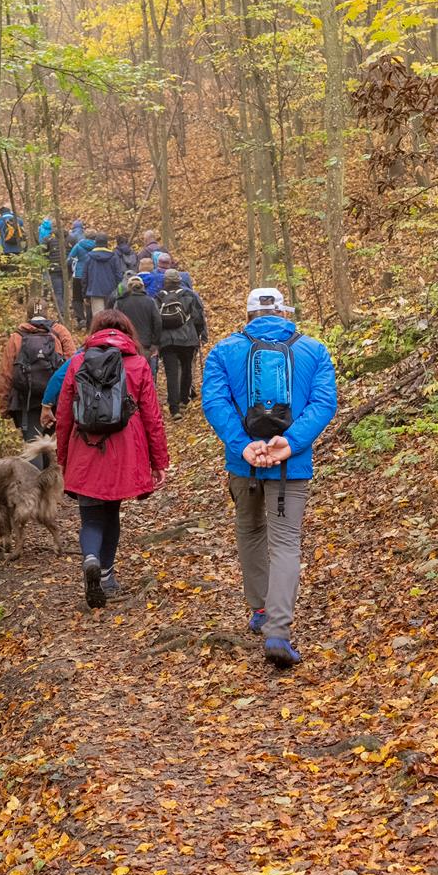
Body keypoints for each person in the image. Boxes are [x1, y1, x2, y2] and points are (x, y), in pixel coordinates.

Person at [199, 287, 338, 670]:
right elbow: (324, 403)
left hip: (242, 463)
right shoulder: (313, 350)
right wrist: (289, 444)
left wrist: (242, 445)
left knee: (249, 530)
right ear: (283, 312)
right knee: (286, 543)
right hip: (289, 465)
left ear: (248, 315)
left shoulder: (224, 351)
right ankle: (278, 631)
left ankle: (259, 609)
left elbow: (214, 401)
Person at [55, 310, 169, 608]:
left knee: (91, 516)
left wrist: (63, 456)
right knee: (112, 512)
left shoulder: (78, 361)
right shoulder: (138, 363)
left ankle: (90, 557)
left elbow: (65, 413)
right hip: (124, 450)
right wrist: (158, 461)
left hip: (85, 446)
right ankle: (105, 576)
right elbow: (152, 417)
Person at [0, 312, 75, 441]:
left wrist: (4, 406)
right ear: (46, 313)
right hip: (55, 402)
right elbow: (72, 365)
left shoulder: (17, 336)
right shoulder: (60, 331)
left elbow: (6, 373)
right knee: (51, 447)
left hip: (26, 402)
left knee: (33, 448)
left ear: (28, 315)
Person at [157, 271, 208, 416]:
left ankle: (174, 409)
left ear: (165, 281)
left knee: (171, 373)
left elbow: (155, 319)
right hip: (187, 338)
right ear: (179, 280)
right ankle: (184, 400)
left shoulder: (159, 297)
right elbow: (198, 318)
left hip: (167, 340)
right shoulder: (189, 295)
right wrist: (198, 333)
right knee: (186, 369)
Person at [112, 273, 162, 381]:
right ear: (142, 287)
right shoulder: (150, 302)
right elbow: (158, 322)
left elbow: (114, 322)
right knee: (144, 374)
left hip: (125, 343)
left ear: (129, 287)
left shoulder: (120, 302)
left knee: (127, 375)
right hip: (145, 345)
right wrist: (155, 343)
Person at [80, 234, 124, 318]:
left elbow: (85, 277)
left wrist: (85, 294)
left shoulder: (89, 257)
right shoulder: (114, 257)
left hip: (94, 290)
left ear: (96, 243)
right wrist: (119, 291)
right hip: (111, 291)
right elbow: (119, 275)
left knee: (98, 318)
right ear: (106, 243)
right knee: (111, 316)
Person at [67, 227, 97, 325]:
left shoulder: (78, 245)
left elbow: (70, 259)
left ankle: (80, 319)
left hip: (78, 275)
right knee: (89, 298)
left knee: (77, 298)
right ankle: (90, 320)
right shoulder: (97, 247)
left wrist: (71, 269)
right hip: (92, 275)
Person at [39, 220, 66, 309]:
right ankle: (63, 310)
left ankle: (61, 311)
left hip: (54, 269)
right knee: (64, 291)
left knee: (58, 291)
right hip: (65, 268)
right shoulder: (68, 238)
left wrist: (47, 264)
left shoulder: (48, 239)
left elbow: (43, 254)